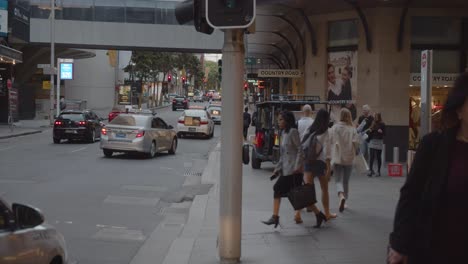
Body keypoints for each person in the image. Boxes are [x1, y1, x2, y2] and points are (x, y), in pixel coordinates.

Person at [388, 72, 468, 264]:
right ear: (459, 109)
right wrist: (400, 244)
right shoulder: (434, 146)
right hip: (438, 249)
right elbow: (411, 194)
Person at [262, 111, 304, 228]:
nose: (278, 122)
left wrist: (297, 166)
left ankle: (275, 217)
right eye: (278, 119)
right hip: (287, 169)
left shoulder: (293, 132)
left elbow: (300, 150)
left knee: (279, 189)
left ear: (287, 120)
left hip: (293, 170)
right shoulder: (283, 134)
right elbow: (283, 155)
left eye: (281, 119)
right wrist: (277, 168)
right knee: (297, 194)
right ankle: (318, 214)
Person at [302, 109, 336, 227]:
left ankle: (298, 214)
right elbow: (327, 151)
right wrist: (328, 168)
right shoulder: (326, 131)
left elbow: (303, 143)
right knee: (324, 189)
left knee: (307, 190)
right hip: (320, 163)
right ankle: (326, 213)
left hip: (308, 162)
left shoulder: (310, 128)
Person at [329, 108, 359, 213]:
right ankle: (345, 201)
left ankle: (340, 195)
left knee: (337, 180)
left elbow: (330, 140)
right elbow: (356, 143)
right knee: (346, 181)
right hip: (349, 158)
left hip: (338, 157)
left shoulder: (335, 127)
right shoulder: (352, 129)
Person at [366, 113, 385, 177]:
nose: (376, 118)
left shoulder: (382, 124)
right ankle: (370, 170)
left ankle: (378, 171)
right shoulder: (373, 123)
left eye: (377, 117)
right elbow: (369, 131)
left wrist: (381, 132)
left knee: (378, 156)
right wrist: (370, 130)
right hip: (372, 140)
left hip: (379, 141)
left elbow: (385, 133)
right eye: (375, 117)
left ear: (379, 117)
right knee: (371, 156)